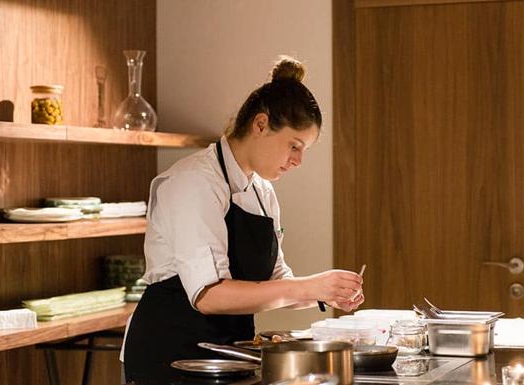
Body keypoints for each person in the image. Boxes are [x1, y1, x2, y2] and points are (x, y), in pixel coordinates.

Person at [123, 56, 364, 382]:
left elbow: (278, 279)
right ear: (261, 124)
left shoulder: (262, 192)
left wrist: (323, 293)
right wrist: (308, 287)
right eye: (294, 145)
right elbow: (209, 296)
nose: (297, 161)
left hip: (227, 356)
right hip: (169, 357)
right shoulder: (194, 182)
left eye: (304, 150)